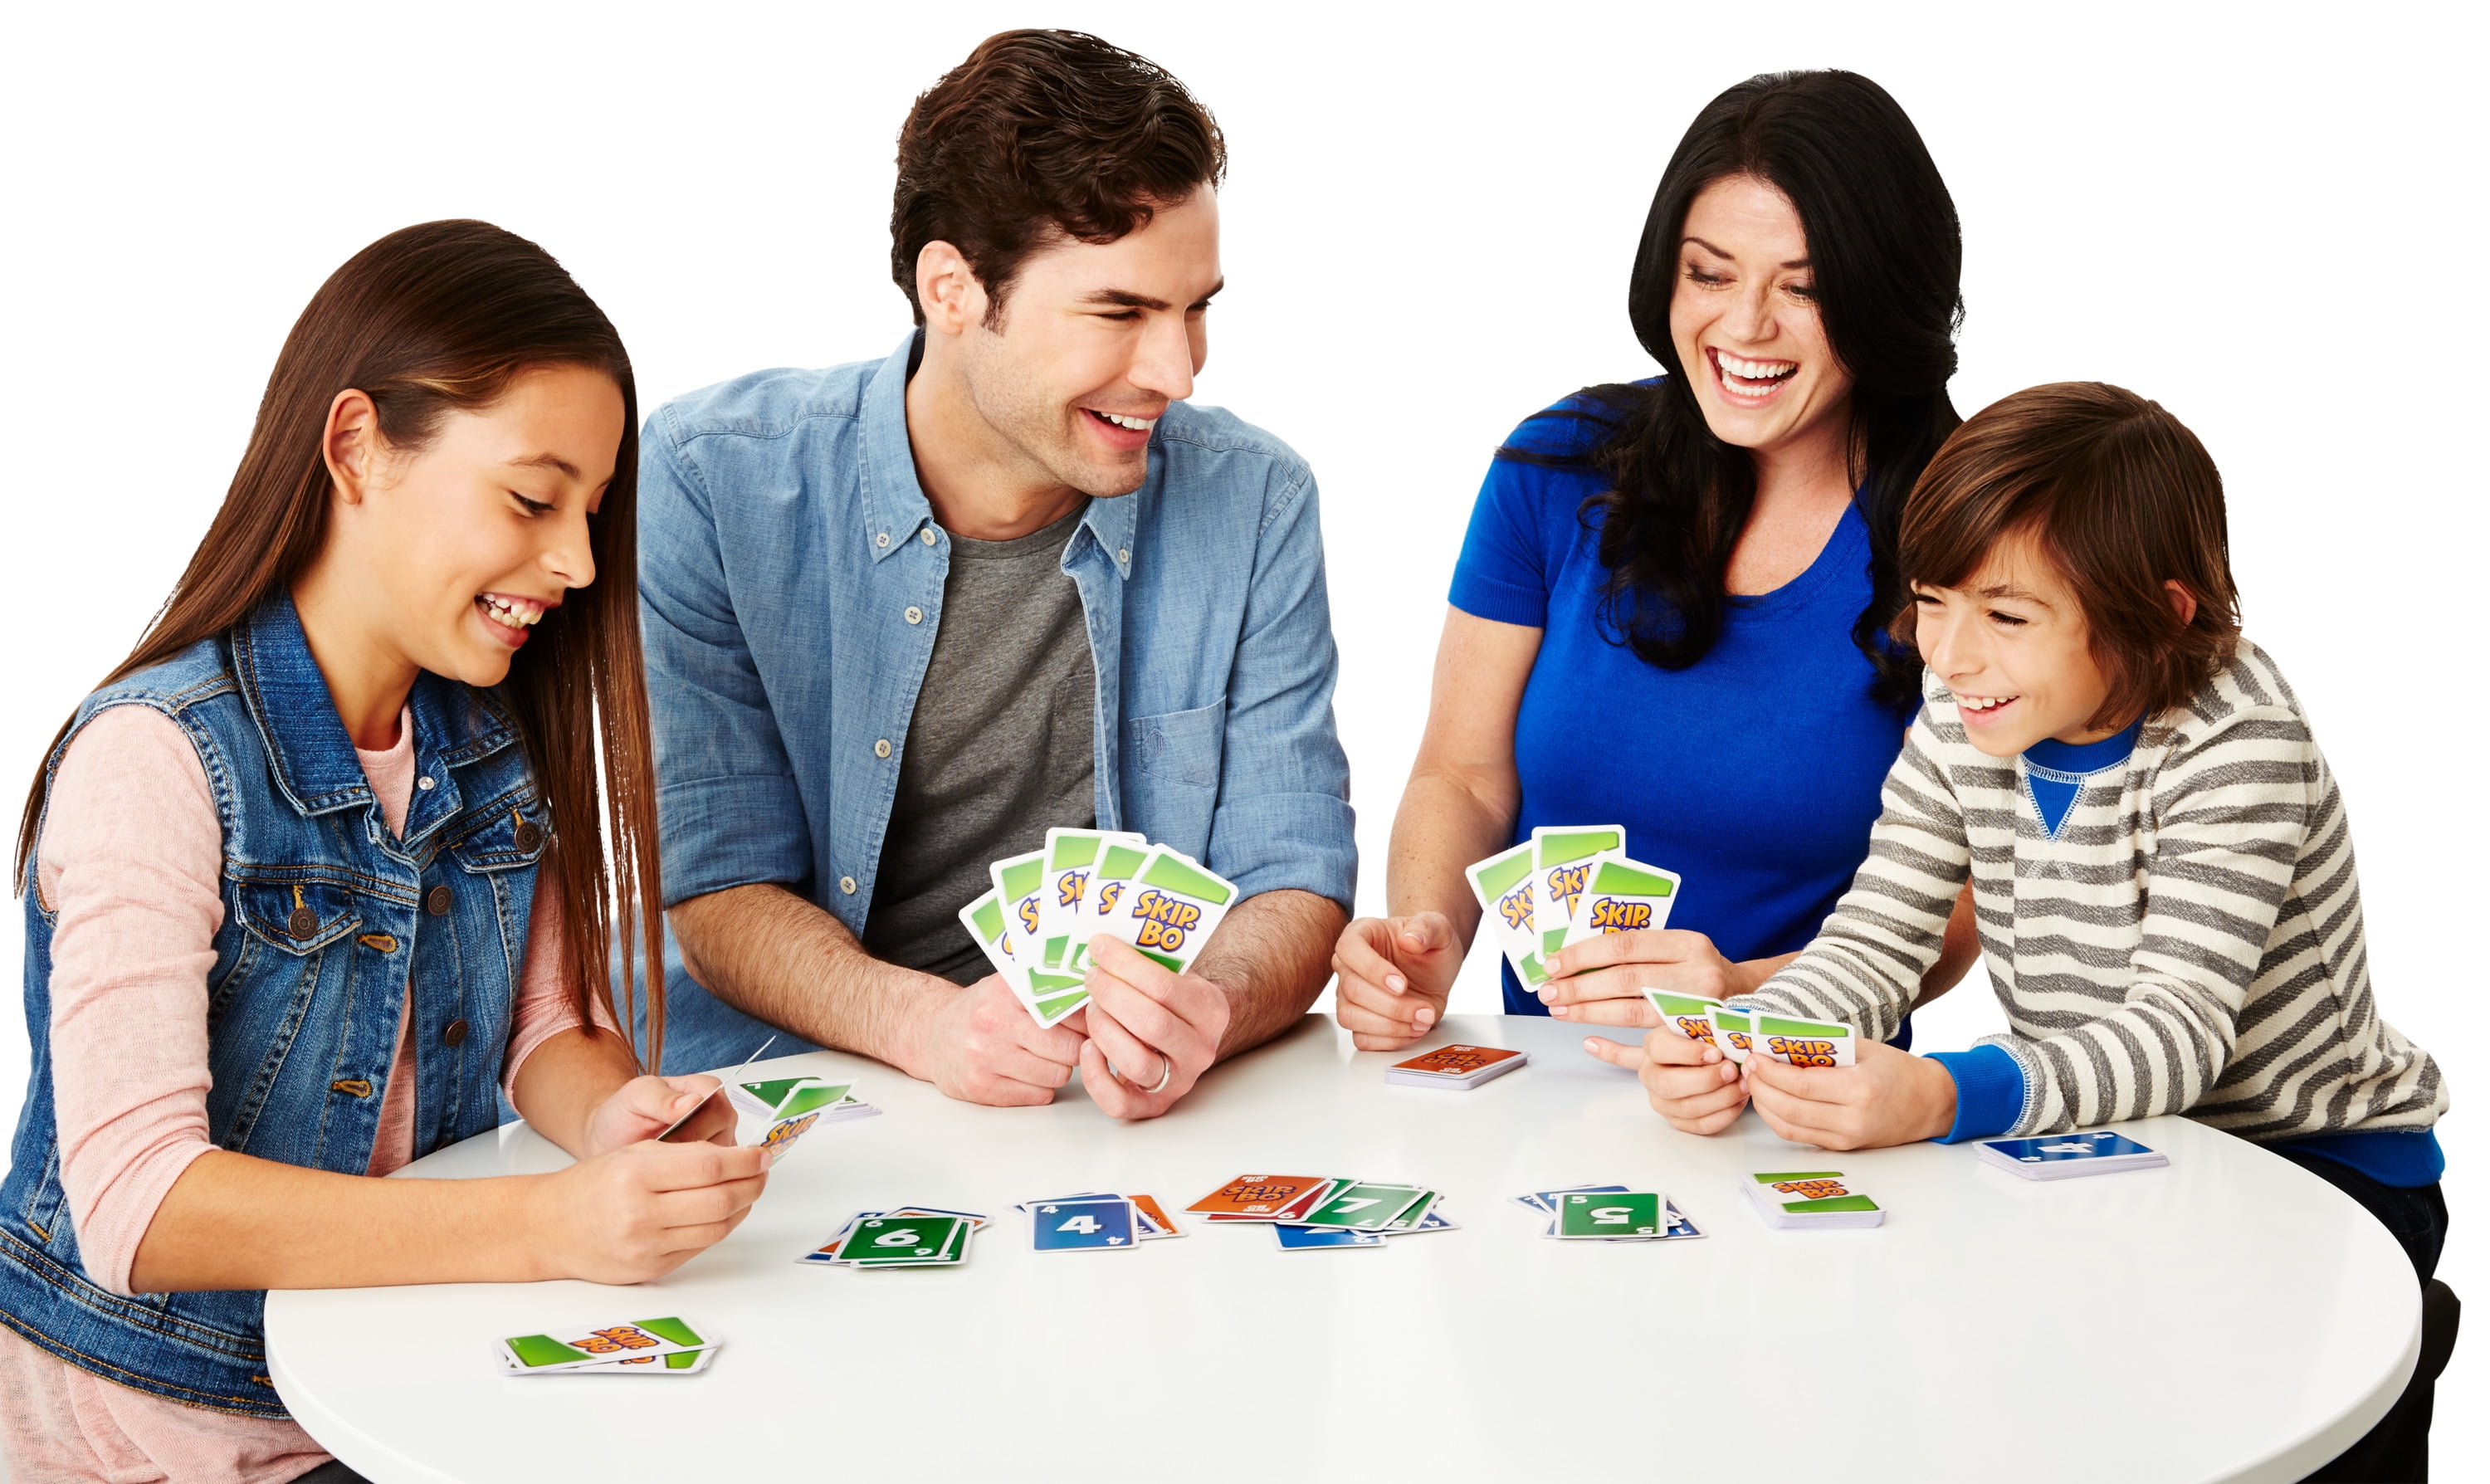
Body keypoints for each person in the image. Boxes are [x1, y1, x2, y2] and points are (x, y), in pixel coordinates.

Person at [0, 221, 769, 1484]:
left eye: (591, 511)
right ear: (356, 445)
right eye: (534, 498)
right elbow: (135, 1205)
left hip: (397, 1388)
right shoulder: (156, 758)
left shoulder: (489, 738)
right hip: (157, 1433)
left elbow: (542, 1034)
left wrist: (614, 1119)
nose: (576, 562)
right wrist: (546, 1228)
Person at [1623, 381, 2452, 1480]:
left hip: (2315, 1162)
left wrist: (1946, 1094)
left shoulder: (2233, 742)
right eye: (1932, 600)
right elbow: (1880, 937)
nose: (1951, 655)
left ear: (2159, 614)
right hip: (2129, 1149)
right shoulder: (1967, 714)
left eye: (2007, 616)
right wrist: (1748, 1033)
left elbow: (2177, 1036)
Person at [638, 30, 1354, 1118]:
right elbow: (715, 882)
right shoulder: (707, 483)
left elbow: (1290, 866)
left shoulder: (1256, 501)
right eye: (1120, 312)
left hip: (1113, 1121)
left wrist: (1204, 1005)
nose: (1179, 370)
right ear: (954, 290)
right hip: (786, 1088)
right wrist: (926, 1027)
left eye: (1196, 306)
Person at [1334, 71, 1980, 1052]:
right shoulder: (1557, 464)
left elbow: (1982, 899)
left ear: (1885, 299)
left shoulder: (1971, 526)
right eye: (1710, 273)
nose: (1745, 326)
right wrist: (1429, 933)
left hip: (1804, 1091)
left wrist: (1744, 992)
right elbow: (1463, 774)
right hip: (1545, 1095)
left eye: (1804, 288)